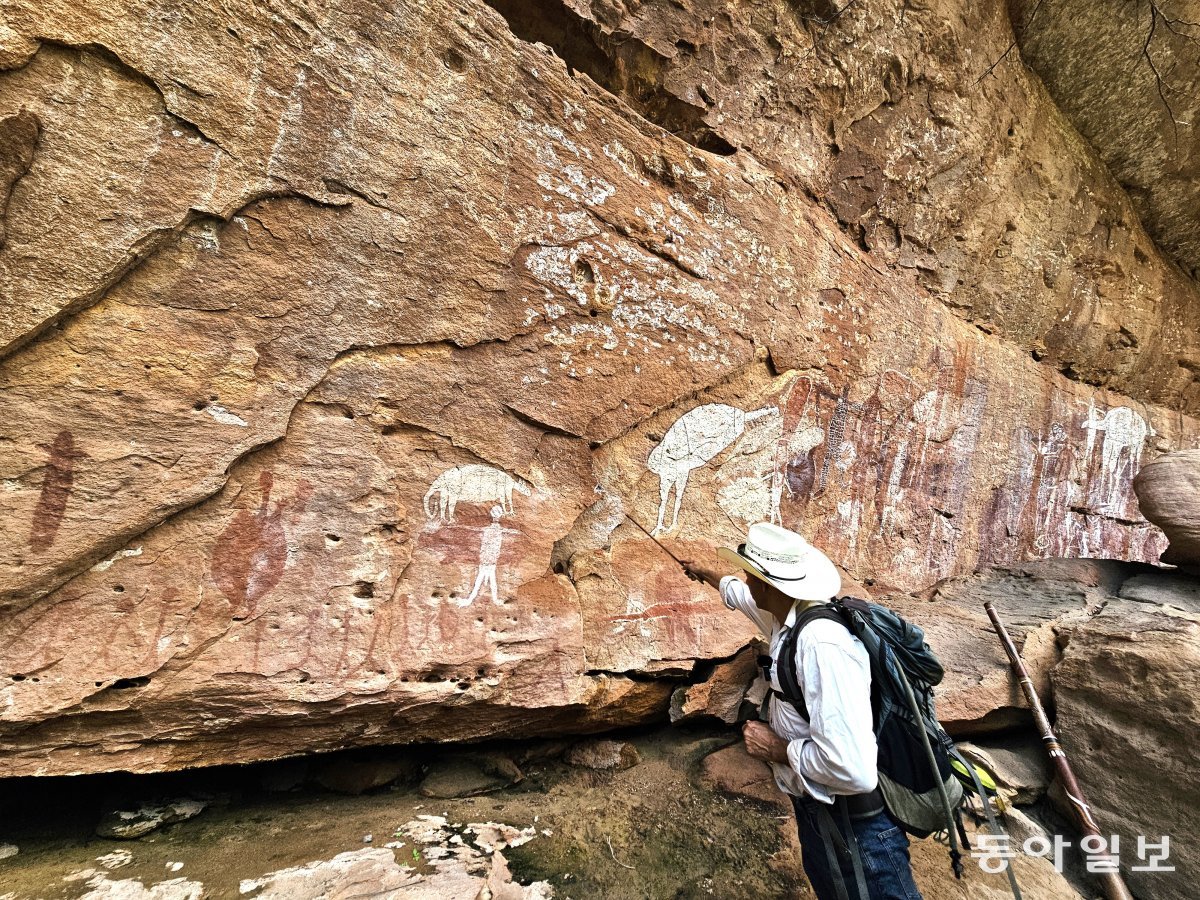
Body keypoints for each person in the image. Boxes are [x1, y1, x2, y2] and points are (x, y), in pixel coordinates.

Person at [687, 522, 923, 900]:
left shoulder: (822, 645)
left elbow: (853, 769)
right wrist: (707, 573)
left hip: (858, 831)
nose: (745, 583)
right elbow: (740, 596)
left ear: (767, 584)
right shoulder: (787, 616)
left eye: (750, 577)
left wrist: (777, 748)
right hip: (822, 814)